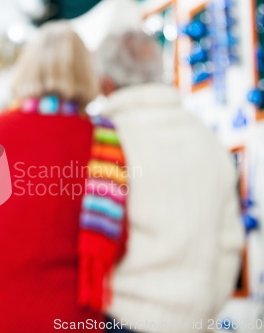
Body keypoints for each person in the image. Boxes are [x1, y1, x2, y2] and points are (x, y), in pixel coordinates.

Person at [0, 21, 111, 333]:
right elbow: (115, 240)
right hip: (69, 316)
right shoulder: (105, 142)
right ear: (86, 72)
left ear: (27, 69)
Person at [88, 31, 245, 333]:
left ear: (105, 83)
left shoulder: (103, 140)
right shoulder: (207, 139)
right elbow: (230, 243)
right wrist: (205, 310)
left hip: (120, 317)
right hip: (195, 321)